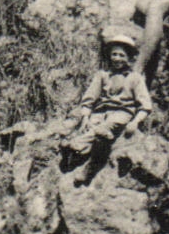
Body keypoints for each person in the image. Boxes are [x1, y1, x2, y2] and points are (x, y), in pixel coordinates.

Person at [60, 28, 152, 185]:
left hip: (122, 113)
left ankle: (81, 152)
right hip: (101, 112)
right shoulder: (102, 75)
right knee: (92, 126)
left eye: (122, 55)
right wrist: (85, 117)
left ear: (129, 58)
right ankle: (75, 152)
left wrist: (135, 122)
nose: (117, 58)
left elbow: (145, 105)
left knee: (104, 129)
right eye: (114, 54)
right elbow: (89, 98)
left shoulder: (135, 78)